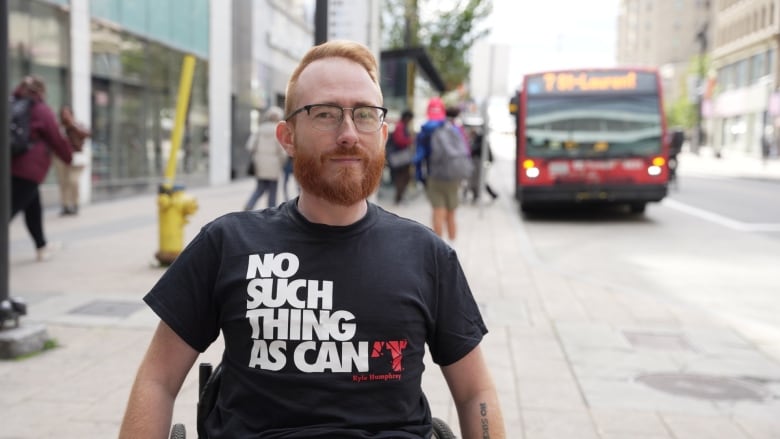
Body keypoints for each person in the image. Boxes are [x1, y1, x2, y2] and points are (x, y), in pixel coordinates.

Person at [119, 40, 505, 438]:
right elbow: (158, 379)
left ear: (384, 134)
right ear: (287, 137)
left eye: (365, 115)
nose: (349, 133)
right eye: (325, 114)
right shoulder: (227, 244)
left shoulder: (427, 256)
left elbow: (475, 390)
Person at [8, 75, 73, 262]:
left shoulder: (12, 104)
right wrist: (68, 156)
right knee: (8, 211)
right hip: (28, 170)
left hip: (12, 166)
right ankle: (41, 247)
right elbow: (56, 138)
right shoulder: (41, 109)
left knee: (33, 207)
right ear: (41, 91)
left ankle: (41, 246)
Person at [414, 99, 468, 241]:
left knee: (438, 213)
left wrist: (420, 177)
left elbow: (419, 158)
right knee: (451, 214)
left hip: (435, 177)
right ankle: (453, 247)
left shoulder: (425, 131)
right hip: (453, 177)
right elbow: (465, 152)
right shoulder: (455, 129)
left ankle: (439, 250)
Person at [243, 106, 288, 210]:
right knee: (273, 191)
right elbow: (282, 152)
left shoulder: (260, 129)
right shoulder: (278, 130)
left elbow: (250, 145)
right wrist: (282, 162)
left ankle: (249, 205)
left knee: (260, 188)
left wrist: (257, 155)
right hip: (274, 165)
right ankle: (271, 212)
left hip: (260, 164)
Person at [54, 104, 91, 216]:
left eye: (67, 114)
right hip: (61, 157)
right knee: (63, 182)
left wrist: (72, 125)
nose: (65, 116)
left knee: (73, 181)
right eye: (63, 114)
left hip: (76, 157)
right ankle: (65, 206)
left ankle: (75, 204)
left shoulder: (77, 125)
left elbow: (87, 134)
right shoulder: (58, 127)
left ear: (72, 114)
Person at [464, 124, 498, 203]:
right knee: (478, 180)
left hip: (479, 162)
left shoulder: (480, 139)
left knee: (477, 180)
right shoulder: (479, 138)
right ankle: (489, 194)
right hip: (479, 162)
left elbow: (475, 150)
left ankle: (477, 195)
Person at [387, 109, 414, 204]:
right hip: (399, 156)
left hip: (400, 156)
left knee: (403, 177)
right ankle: (398, 198)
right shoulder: (400, 126)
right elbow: (399, 141)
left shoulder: (401, 125)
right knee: (402, 177)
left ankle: (400, 197)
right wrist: (410, 140)